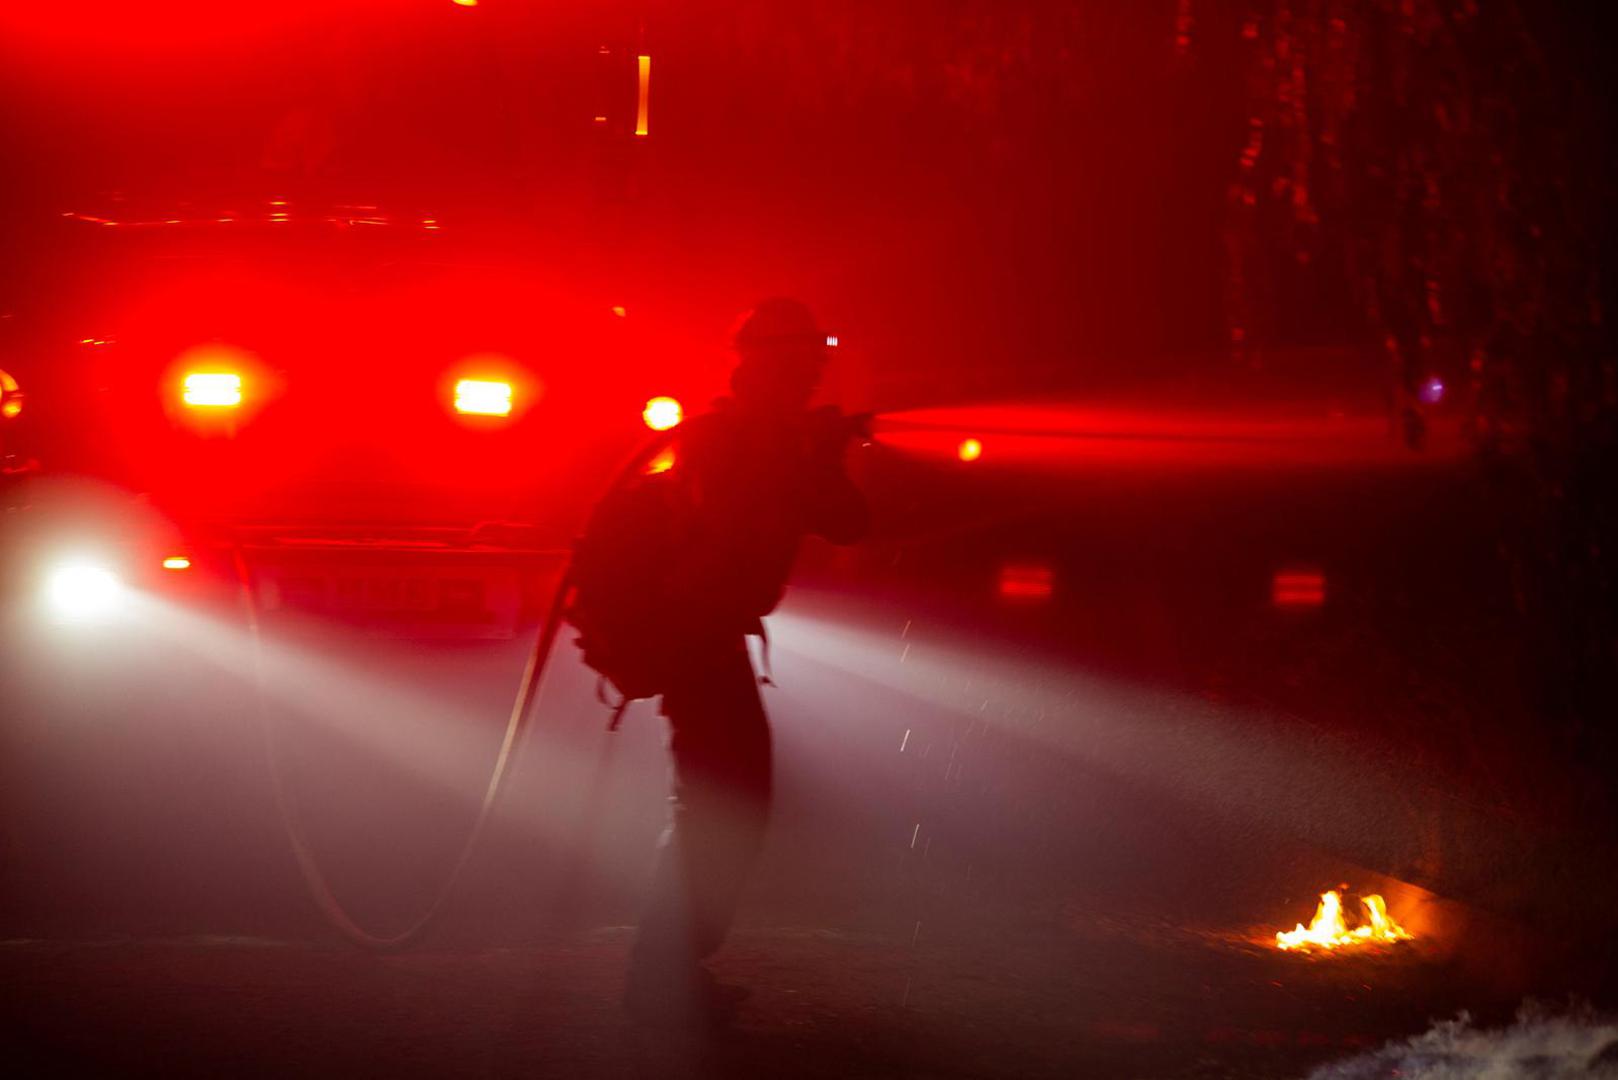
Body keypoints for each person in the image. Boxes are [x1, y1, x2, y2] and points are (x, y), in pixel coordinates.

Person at [623, 297, 868, 1026]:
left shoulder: (764, 438)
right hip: (699, 640)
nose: (814, 375)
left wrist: (814, 450)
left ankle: (668, 968)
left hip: (711, 639)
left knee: (721, 804)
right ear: (763, 362)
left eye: (816, 363)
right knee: (722, 805)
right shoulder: (731, 441)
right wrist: (810, 452)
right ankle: (665, 974)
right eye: (802, 361)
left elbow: (849, 522)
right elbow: (780, 520)